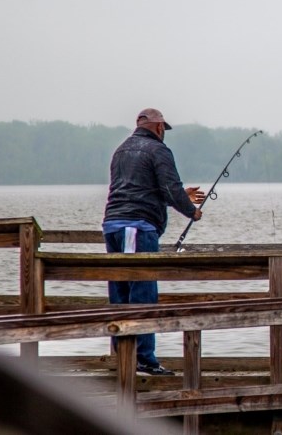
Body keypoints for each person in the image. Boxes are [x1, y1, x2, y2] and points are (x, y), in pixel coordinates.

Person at [102, 107, 205, 376]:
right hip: (136, 228)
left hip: (113, 226)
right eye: (163, 129)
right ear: (159, 128)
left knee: (120, 293)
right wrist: (191, 211)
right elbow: (169, 189)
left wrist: (180, 196)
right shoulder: (159, 150)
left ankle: (122, 357)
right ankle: (145, 360)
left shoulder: (122, 150)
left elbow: (145, 188)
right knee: (142, 293)